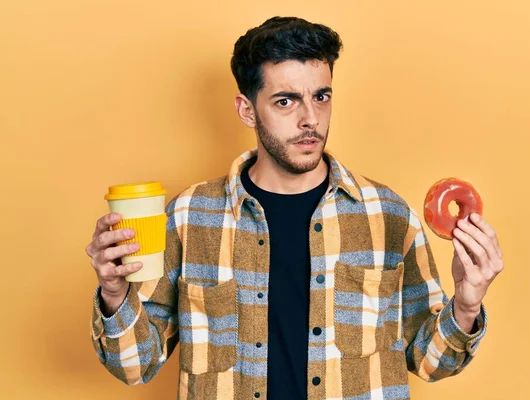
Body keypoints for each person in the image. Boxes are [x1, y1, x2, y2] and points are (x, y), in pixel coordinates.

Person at [86, 16, 504, 400]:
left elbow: (430, 364)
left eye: (321, 97)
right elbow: (134, 365)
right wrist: (114, 293)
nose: (310, 119)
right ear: (247, 110)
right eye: (286, 101)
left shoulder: (389, 216)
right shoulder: (188, 217)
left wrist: (466, 305)